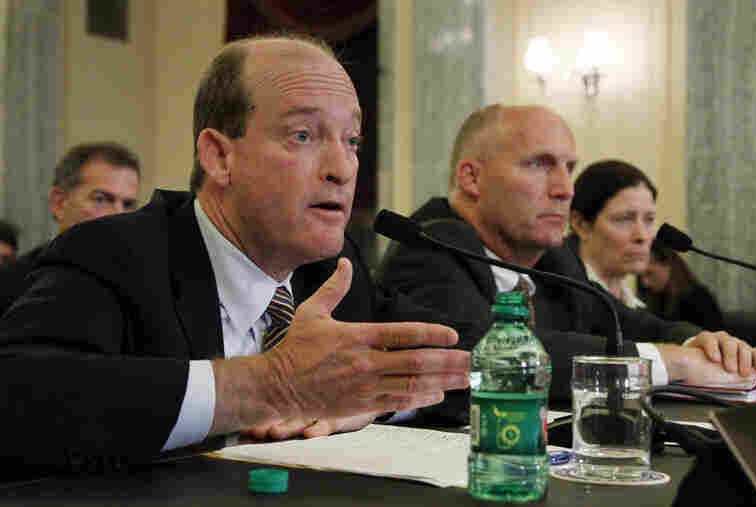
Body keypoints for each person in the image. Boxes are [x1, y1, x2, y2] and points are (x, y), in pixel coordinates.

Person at [0, 35, 470, 467]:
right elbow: (21, 394)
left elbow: (471, 365)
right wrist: (271, 383)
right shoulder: (115, 253)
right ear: (220, 157)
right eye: (303, 135)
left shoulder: (332, 271)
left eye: (352, 141)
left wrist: (365, 399)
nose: (342, 169)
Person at [378, 104, 756, 424]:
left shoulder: (555, 259)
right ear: (472, 178)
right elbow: (481, 356)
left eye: (569, 168)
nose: (565, 189)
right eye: (539, 165)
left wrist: (697, 342)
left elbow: (623, 321)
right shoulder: (428, 246)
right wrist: (671, 363)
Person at [0, 142, 141, 314]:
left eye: (128, 204)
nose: (120, 214)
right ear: (59, 203)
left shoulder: (144, 288)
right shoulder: (11, 286)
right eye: (101, 199)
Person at [567, 159, 656, 309]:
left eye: (649, 220)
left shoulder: (639, 310)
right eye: (625, 219)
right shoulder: (561, 303)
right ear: (581, 225)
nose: (641, 236)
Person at [639, 240, 725, 331]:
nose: (645, 283)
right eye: (640, 276)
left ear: (668, 265)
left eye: (649, 273)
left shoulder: (699, 301)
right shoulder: (655, 299)